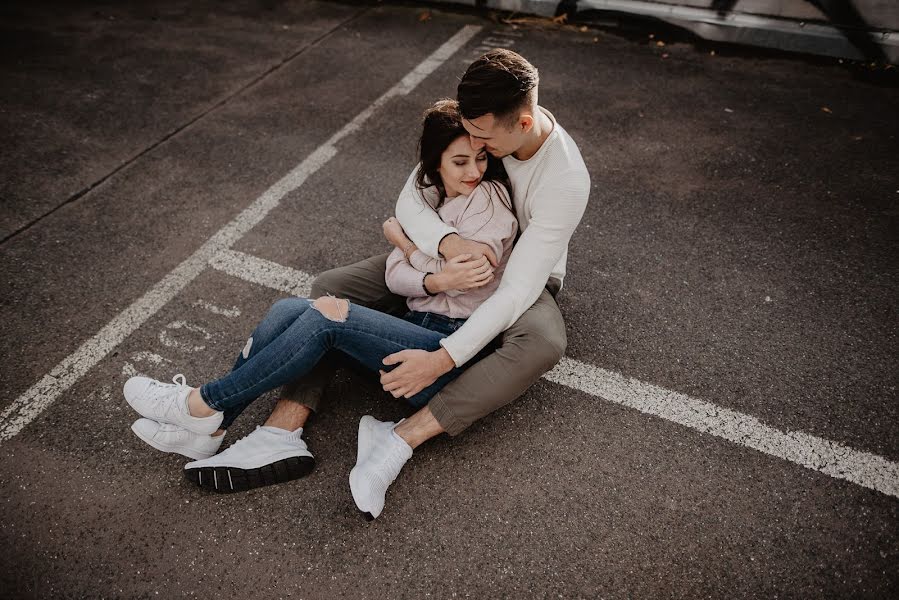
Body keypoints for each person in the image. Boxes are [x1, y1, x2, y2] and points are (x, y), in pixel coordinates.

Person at [188, 48, 591, 520]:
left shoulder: (564, 179)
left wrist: (441, 359)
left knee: (542, 342)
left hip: (522, 271)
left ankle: (402, 436)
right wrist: (444, 248)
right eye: (469, 137)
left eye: (483, 138)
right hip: (454, 249)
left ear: (521, 125)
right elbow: (412, 197)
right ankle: (282, 430)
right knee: (329, 287)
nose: (476, 149)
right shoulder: (479, 135)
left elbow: (516, 290)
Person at [123, 99, 518, 517]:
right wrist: (433, 276)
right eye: (459, 162)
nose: (474, 171)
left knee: (326, 318)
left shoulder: (488, 201)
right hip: (407, 334)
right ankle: (214, 429)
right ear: (434, 163)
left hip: (444, 354)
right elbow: (393, 277)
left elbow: (475, 271)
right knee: (287, 309)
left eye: (478, 158)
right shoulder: (427, 198)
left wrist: (406, 246)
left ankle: (202, 404)